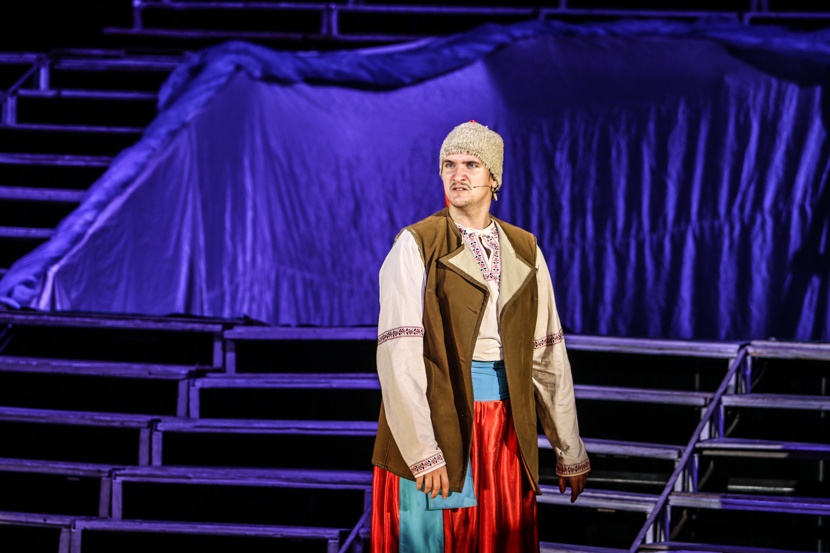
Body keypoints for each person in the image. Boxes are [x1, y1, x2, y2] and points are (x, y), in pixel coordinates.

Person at [371, 121, 590, 552]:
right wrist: (422, 450)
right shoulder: (416, 244)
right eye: (449, 165)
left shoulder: (524, 249)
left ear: (494, 177)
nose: (458, 175)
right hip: (441, 421)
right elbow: (399, 356)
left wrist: (569, 449)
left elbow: (547, 355)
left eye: (471, 164)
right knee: (437, 539)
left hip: (505, 430)